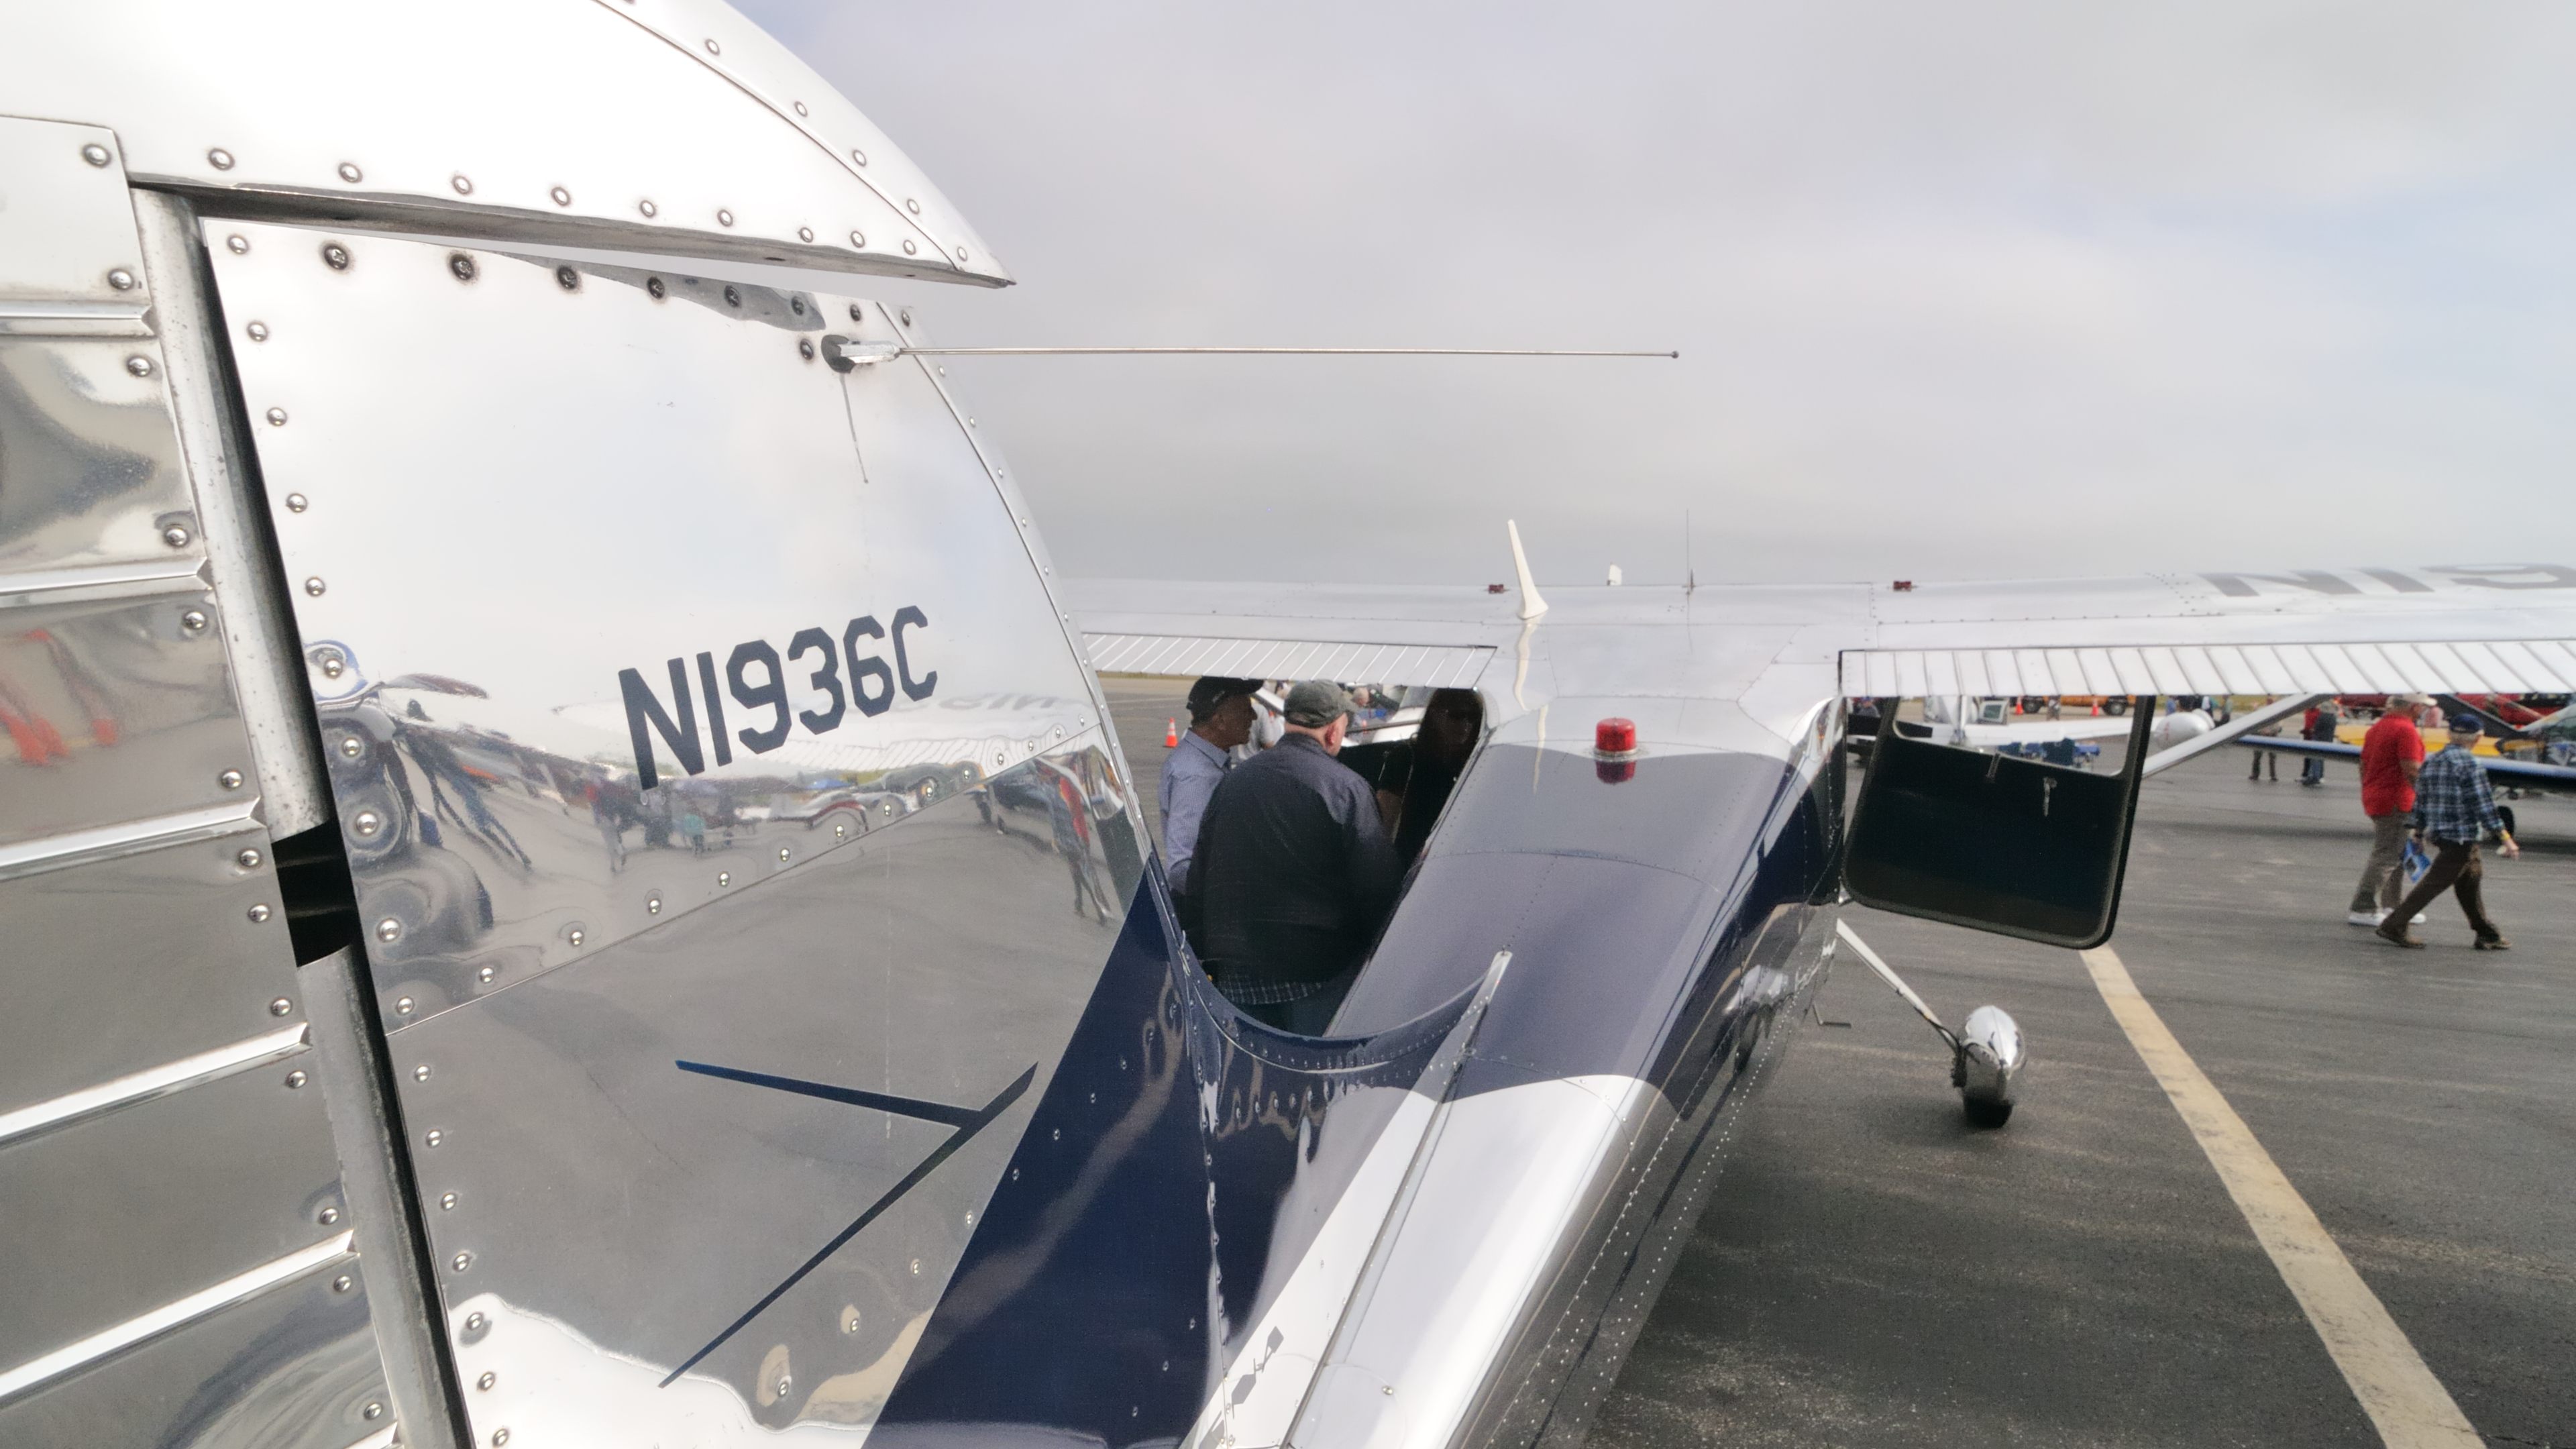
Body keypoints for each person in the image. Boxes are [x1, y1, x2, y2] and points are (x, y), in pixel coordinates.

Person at [1189, 680, 1402, 1033]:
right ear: (1334, 732)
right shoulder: (1345, 788)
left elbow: (1199, 877)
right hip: (1314, 973)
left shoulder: (1233, 782)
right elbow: (1377, 887)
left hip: (1237, 972)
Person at [2377, 713, 2520, 950]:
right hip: (2462, 836)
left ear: (2449, 734)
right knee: (2434, 883)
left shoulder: (2433, 761)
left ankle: (2486, 932)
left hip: (2442, 834)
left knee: (2469, 882)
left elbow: (2421, 799)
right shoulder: (2471, 765)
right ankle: (2394, 924)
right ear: (2478, 737)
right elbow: (2483, 805)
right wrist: (2505, 838)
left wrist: (2418, 831)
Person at [1159, 677, 1260, 903]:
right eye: (1246, 709)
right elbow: (1182, 867)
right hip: (1204, 911)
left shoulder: (1199, 761)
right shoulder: (1196, 775)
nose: (1253, 717)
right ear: (1220, 721)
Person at [2348, 694, 2434, 927]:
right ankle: (2363, 907)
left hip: (2378, 797)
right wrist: (2427, 798)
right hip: (2397, 800)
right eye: (2423, 707)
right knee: (2387, 855)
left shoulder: (2377, 728)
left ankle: (2393, 906)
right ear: (2414, 707)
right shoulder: (2406, 730)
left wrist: (2369, 789)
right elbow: (2412, 770)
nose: (2424, 711)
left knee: (2396, 854)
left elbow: (2364, 765)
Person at [1373, 688, 1484, 865]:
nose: (1465, 724)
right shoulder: (1407, 757)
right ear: (1435, 714)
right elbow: (1385, 818)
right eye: (1456, 716)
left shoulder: (1474, 763)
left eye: (1472, 717)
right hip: (1408, 863)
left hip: (1453, 863)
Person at [2300, 697, 2341, 786]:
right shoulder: (2333, 718)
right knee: (2321, 759)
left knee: (2315, 759)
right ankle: (2318, 776)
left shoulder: (2322, 717)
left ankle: (2315, 777)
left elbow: (2316, 728)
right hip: (2328, 740)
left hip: (2318, 740)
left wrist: (2309, 731)